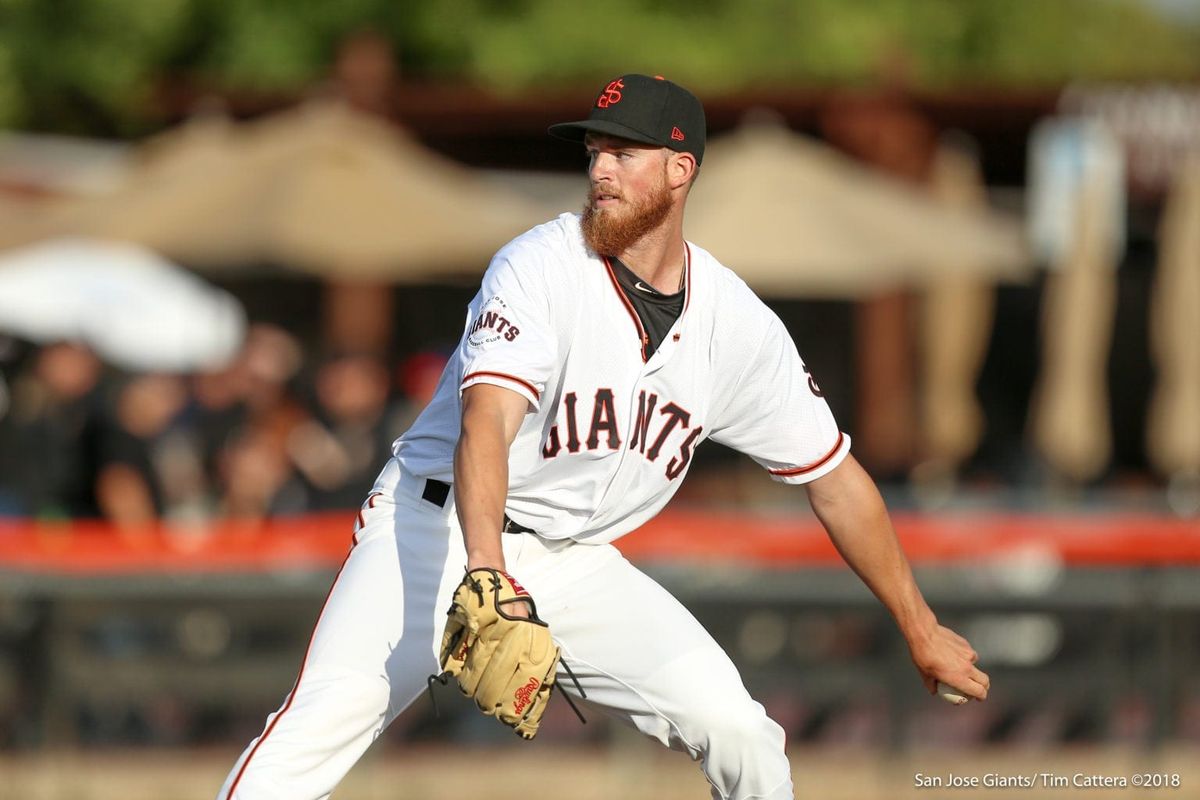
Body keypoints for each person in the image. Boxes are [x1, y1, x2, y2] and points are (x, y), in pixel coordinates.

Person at [218, 73, 989, 800]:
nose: (601, 170)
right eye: (594, 153)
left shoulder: (736, 326)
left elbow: (835, 479)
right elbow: (487, 425)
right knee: (319, 726)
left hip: (576, 562)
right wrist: (488, 574)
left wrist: (919, 628)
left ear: (681, 169)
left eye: (624, 153)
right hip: (438, 531)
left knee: (741, 732)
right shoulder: (541, 267)